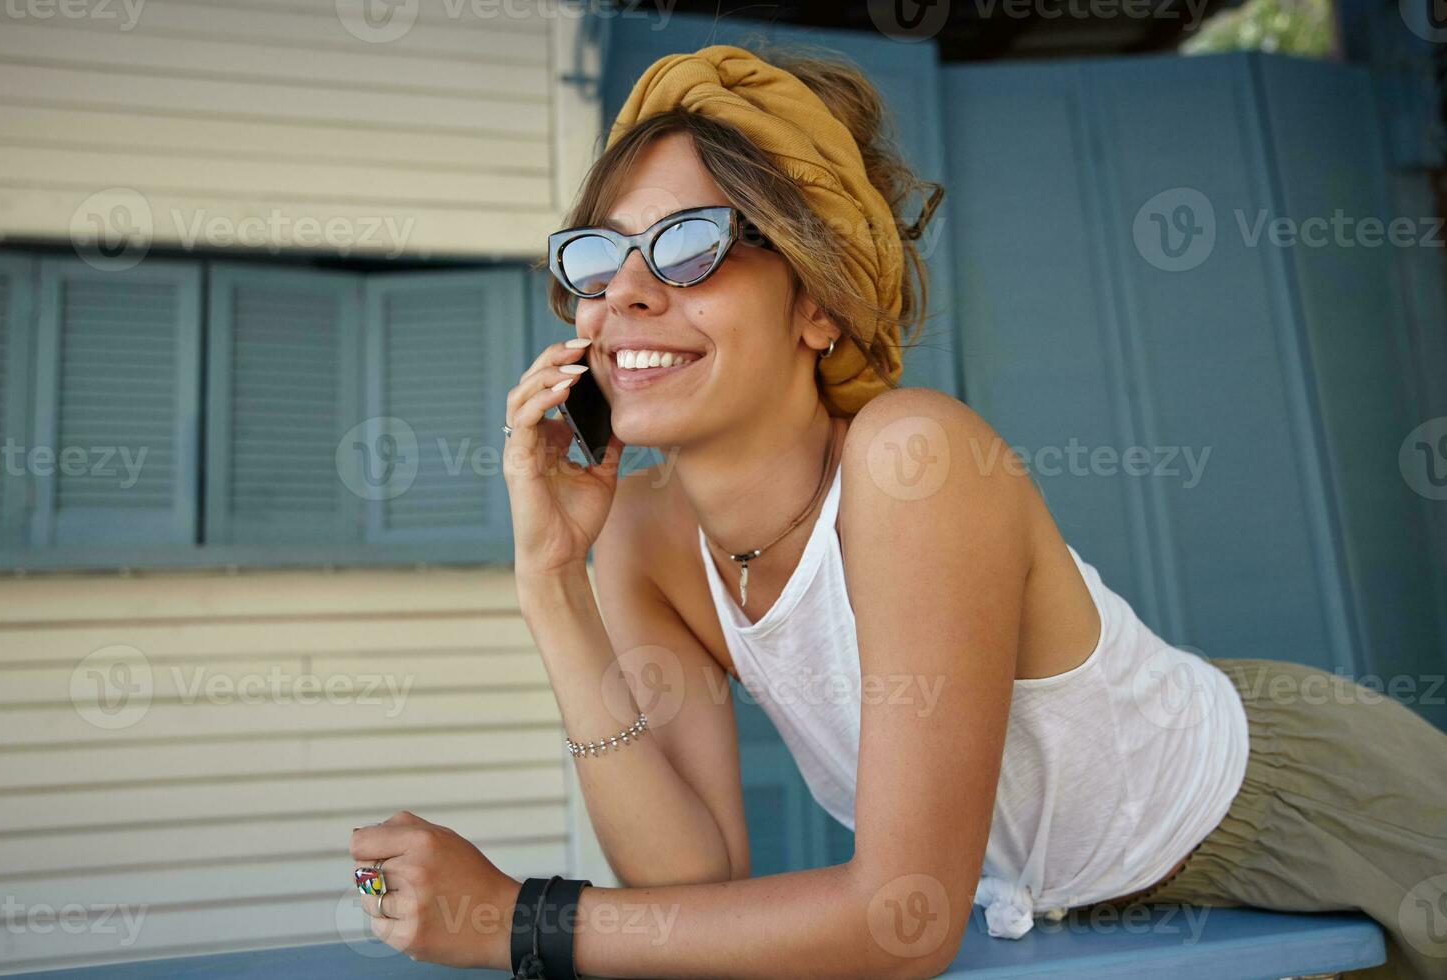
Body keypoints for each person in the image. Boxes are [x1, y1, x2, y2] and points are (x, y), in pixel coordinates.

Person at [349, 43, 1447, 979]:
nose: (626, 293)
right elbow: (688, 874)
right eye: (598, 258)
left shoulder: (912, 459)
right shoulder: (639, 535)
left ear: (819, 302)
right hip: (1087, 919)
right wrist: (551, 585)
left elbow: (901, 915)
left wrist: (517, 920)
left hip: (1312, 805)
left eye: (690, 245)